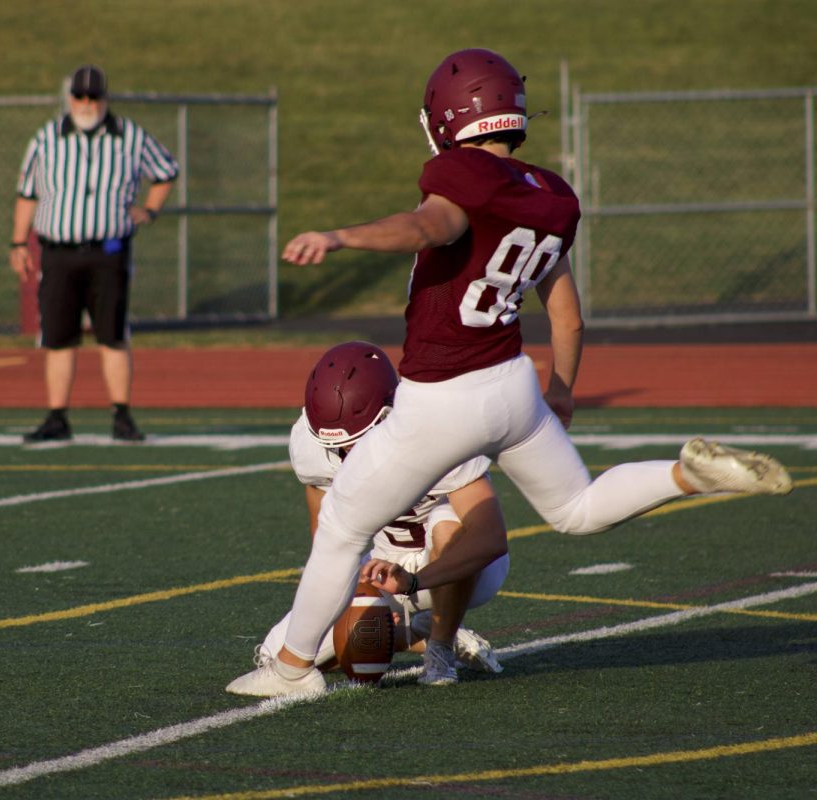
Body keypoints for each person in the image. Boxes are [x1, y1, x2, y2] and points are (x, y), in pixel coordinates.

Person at [226, 48, 793, 697]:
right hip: (513, 382)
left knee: (342, 526)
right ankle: (685, 474)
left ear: (446, 116)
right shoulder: (549, 194)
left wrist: (338, 236)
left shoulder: (460, 175)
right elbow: (568, 318)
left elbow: (425, 226)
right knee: (576, 508)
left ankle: (294, 670)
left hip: (444, 393)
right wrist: (562, 390)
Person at [250, 341, 510, 687]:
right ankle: (415, 632)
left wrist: (416, 581)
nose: (345, 451)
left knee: (447, 520)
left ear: (390, 412)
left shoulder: (436, 428)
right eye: (335, 445)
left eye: (356, 440)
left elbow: (488, 537)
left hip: (460, 569)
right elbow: (325, 534)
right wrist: (355, 582)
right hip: (384, 561)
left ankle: (441, 647)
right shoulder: (312, 444)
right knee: (280, 654)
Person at [10, 64, 179, 443]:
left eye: (94, 97)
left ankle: (121, 416)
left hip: (108, 251)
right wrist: (18, 242)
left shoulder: (129, 136)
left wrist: (148, 211)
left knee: (113, 335)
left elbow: (167, 170)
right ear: (70, 98)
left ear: (105, 98)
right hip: (58, 251)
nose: (87, 104)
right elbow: (27, 193)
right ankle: (57, 417)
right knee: (57, 337)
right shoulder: (46, 138)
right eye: (80, 97)